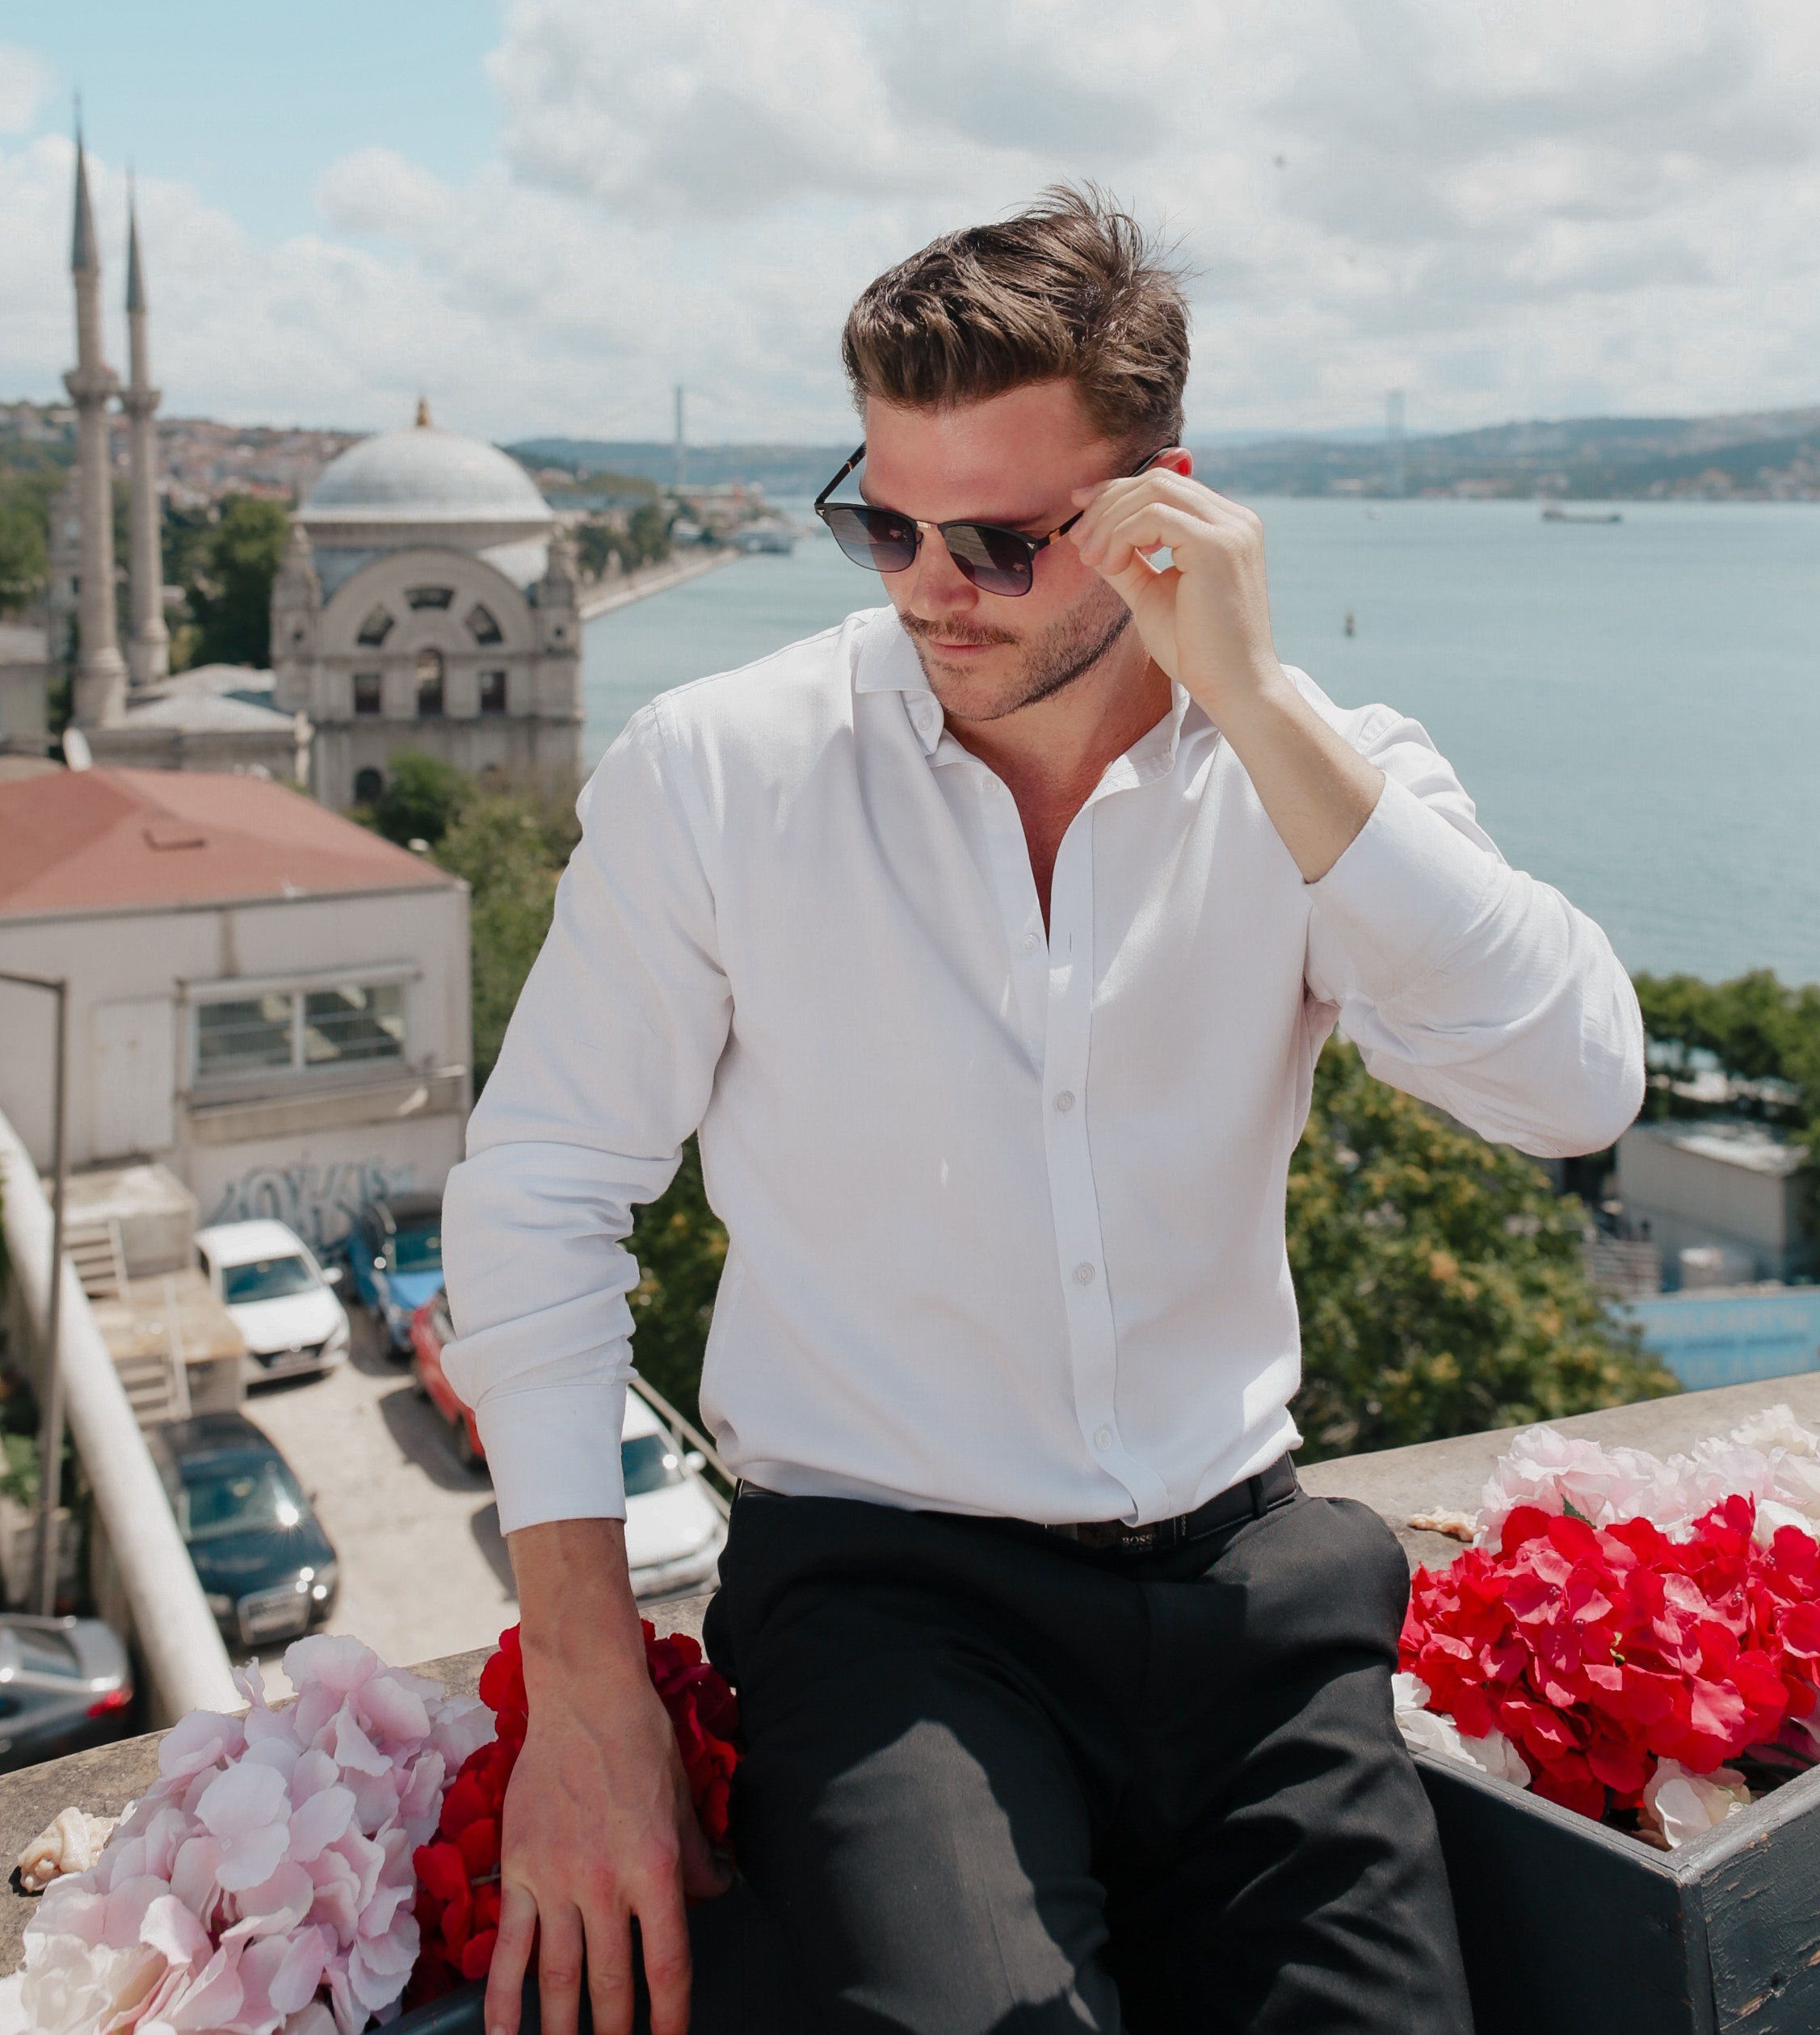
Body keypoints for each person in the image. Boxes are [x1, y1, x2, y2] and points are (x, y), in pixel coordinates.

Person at [442, 190, 1642, 2035]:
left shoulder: (1315, 769)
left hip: (1255, 1586)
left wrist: (1245, 696)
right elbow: (539, 1191)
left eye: (1000, 541)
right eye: (882, 520)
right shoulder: (721, 773)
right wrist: (591, 1695)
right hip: (885, 1594)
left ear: (1159, 503)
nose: (928, 584)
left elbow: (1572, 1084)